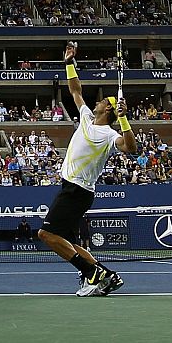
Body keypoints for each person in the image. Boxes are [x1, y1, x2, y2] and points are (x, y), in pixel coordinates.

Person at [37, 42, 136, 296]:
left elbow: (130, 147)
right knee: (68, 241)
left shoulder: (109, 135)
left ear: (109, 109)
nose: (98, 102)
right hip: (73, 188)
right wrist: (69, 63)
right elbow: (75, 89)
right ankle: (108, 276)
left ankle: (93, 273)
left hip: (77, 191)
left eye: (102, 101)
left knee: (46, 234)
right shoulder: (86, 118)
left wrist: (124, 119)